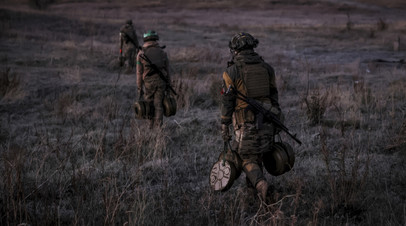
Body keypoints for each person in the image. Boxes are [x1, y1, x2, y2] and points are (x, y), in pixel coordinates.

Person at [220, 32, 282, 201]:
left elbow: (227, 100)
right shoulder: (267, 68)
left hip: (246, 124)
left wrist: (224, 123)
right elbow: (274, 97)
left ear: (235, 50)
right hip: (269, 121)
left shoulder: (231, 71)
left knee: (244, 158)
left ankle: (261, 185)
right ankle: (254, 197)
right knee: (257, 156)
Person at [136, 30, 170, 128]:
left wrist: (139, 88)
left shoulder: (140, 54)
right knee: (158, 105)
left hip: (148, 83)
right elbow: (168, 71)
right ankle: (158, 128)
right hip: (161, 82)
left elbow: (139, 73)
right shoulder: (163, 52)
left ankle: (150, 127)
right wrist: (169, 85)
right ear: (156, 39)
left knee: (149, 104)